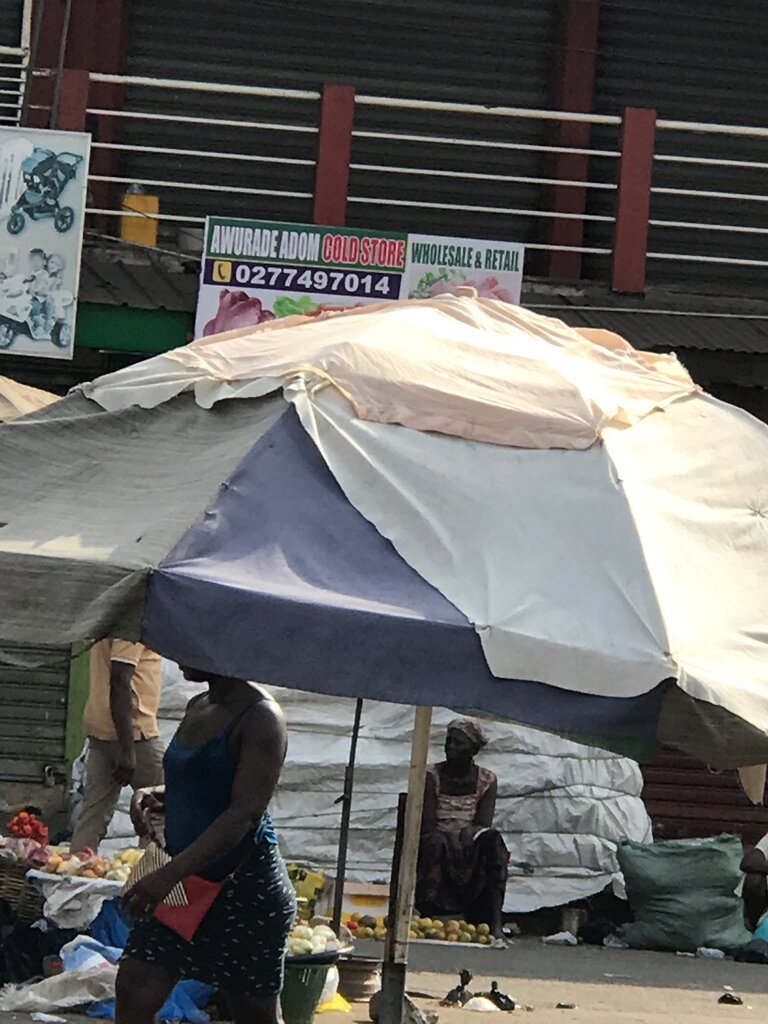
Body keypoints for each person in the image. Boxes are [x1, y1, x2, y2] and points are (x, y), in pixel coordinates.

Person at [115, 668, 295, 1024]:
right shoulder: (199, 704)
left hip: (243, 891)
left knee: (252, 1012)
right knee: (136, 986)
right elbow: (203, 786)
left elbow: (244, 813)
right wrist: (152, 794)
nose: (180, 655)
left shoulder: (262, 718)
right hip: (185, 882)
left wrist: (167, 875)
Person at [415, 718, 509, 943]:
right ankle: (428, 916)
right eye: (449, 742)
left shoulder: (486, 779)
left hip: (469, 838)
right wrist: (452, 838)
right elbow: (427, 822)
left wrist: (465, 837)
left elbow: (483, 823)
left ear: (473, 750)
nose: (451, 748)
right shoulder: (432, 776)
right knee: (434, 842)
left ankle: (494, 922)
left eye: (459, 744)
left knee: (494, 842)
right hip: (437, 835)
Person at [70, 639, 164, 854]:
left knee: (93, 814)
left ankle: (74, 873)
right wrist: (127, 749)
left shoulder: (112, 620)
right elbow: (120, 680)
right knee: (167, 805)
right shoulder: (130, 629)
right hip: (133, 732)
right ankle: (149, 873)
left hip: (101, 729)